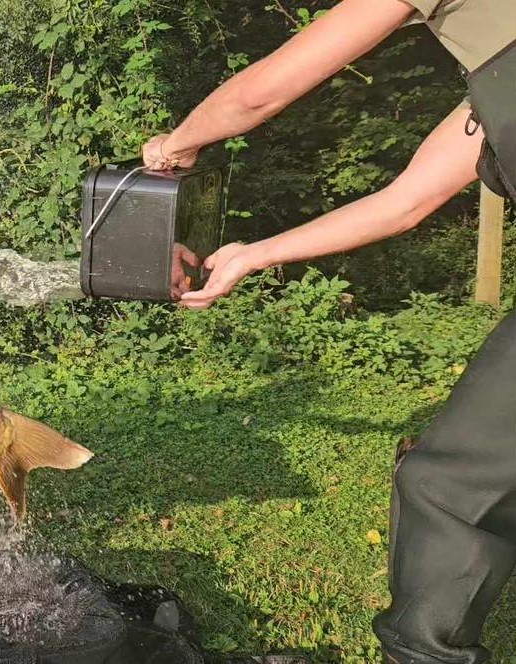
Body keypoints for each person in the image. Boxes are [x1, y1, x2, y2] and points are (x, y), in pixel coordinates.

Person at [140, 1, 514, 661]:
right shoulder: (493, 80)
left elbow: (261, 92)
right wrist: (254, 255)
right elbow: (405, 202)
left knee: (449, 489)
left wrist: (178, 144)